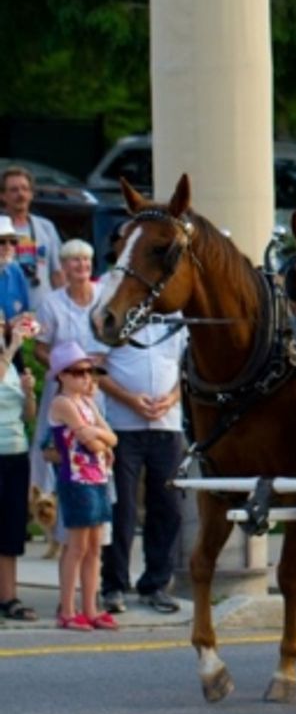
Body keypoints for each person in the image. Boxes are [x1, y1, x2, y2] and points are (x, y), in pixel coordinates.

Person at [98, 315, 188, 615]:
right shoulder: (118, 316)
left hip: (167, 425)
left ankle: (157, 584)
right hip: (123, 426)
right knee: (121, 507)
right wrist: (129, 399)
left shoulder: (174, 321)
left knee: (168, 506)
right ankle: (113, 585)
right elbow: (97, 370)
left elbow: (185, 369)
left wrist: (172, 398)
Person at [47, 341, 118, 631]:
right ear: (62, 375)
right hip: (76, 480)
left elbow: (112, 438)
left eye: (88, 371)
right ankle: (67, 609)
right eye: (77, 372)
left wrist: (99, 437)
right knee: (76, 547)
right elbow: (90, 441)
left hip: (98, 478)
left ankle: (90, 608)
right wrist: (100, 438)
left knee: (93, 548)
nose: (85, 377)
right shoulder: (62, 403)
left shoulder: (87, 403)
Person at [32, 239, 107, 499]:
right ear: (63, 266)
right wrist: (68, 369)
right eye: (75, 260)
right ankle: (60, 521)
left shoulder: (105, 296)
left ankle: (101, 523)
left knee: (99, 451)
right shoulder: (51, 303)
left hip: (100, 389)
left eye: (86, 259)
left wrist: (92, 372)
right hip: (63, 392)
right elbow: (39, 348)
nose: (82, 265)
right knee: (63, 451)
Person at [0, 313, 38, 622]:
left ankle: (9, 596)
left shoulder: (13, 361)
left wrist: (28, 392)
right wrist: (10, 349)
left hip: (15, 451)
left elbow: (28, 415)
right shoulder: (8, 357)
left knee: (11, 530)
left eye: (2, 322)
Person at [2, 166, 63, 313]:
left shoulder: (46, 227)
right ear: (2, 195)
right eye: (14, 190)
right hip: (6, 317)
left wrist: (63, 308)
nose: (20, 194)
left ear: (31, 194)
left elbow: (58, 274)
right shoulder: (1, 228)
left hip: (43, 314)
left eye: (24, 189)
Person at [0, 217, 31, 320]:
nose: (8, 246)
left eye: (13, 242)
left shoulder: (16, 271)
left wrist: (31, 327)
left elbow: (25, 314)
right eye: (2, 241)